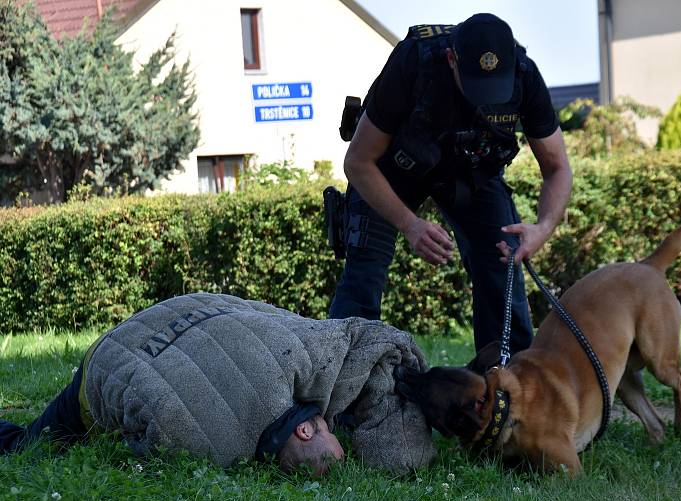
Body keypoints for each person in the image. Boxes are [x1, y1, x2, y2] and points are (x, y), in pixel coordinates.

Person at [329, 13, 573, 354]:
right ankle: (341, 389)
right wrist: (410, 225)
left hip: (470, 171)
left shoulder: (523, 76)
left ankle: (505, 387)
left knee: (503, 260)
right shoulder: (414, 61)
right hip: (391, 169)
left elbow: (558, 168)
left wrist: (543, 228)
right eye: (475, 85)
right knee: (363, 276)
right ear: (451, 60)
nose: (483, 99)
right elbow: (358, 162)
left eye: (493, 89)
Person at [0, 293, 435, 475]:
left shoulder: (306, 350)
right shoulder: (211, 449)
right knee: (29, 443)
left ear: (306, 426)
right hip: (113, 355)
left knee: (31, 446)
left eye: (331, 430)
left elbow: (381, 342)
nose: (332, 421)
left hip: (134, 341)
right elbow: (134, 438)